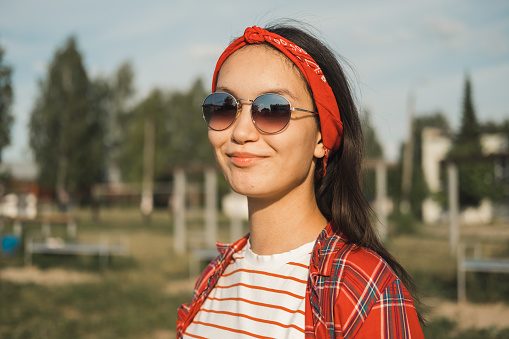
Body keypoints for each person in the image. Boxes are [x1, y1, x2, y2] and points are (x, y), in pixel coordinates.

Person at [177, 23, 424, 338]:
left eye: (272, 110)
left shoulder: (364, 290)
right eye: (224, 107)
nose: (240, 133)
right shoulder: (214, 276)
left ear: (322, 137)